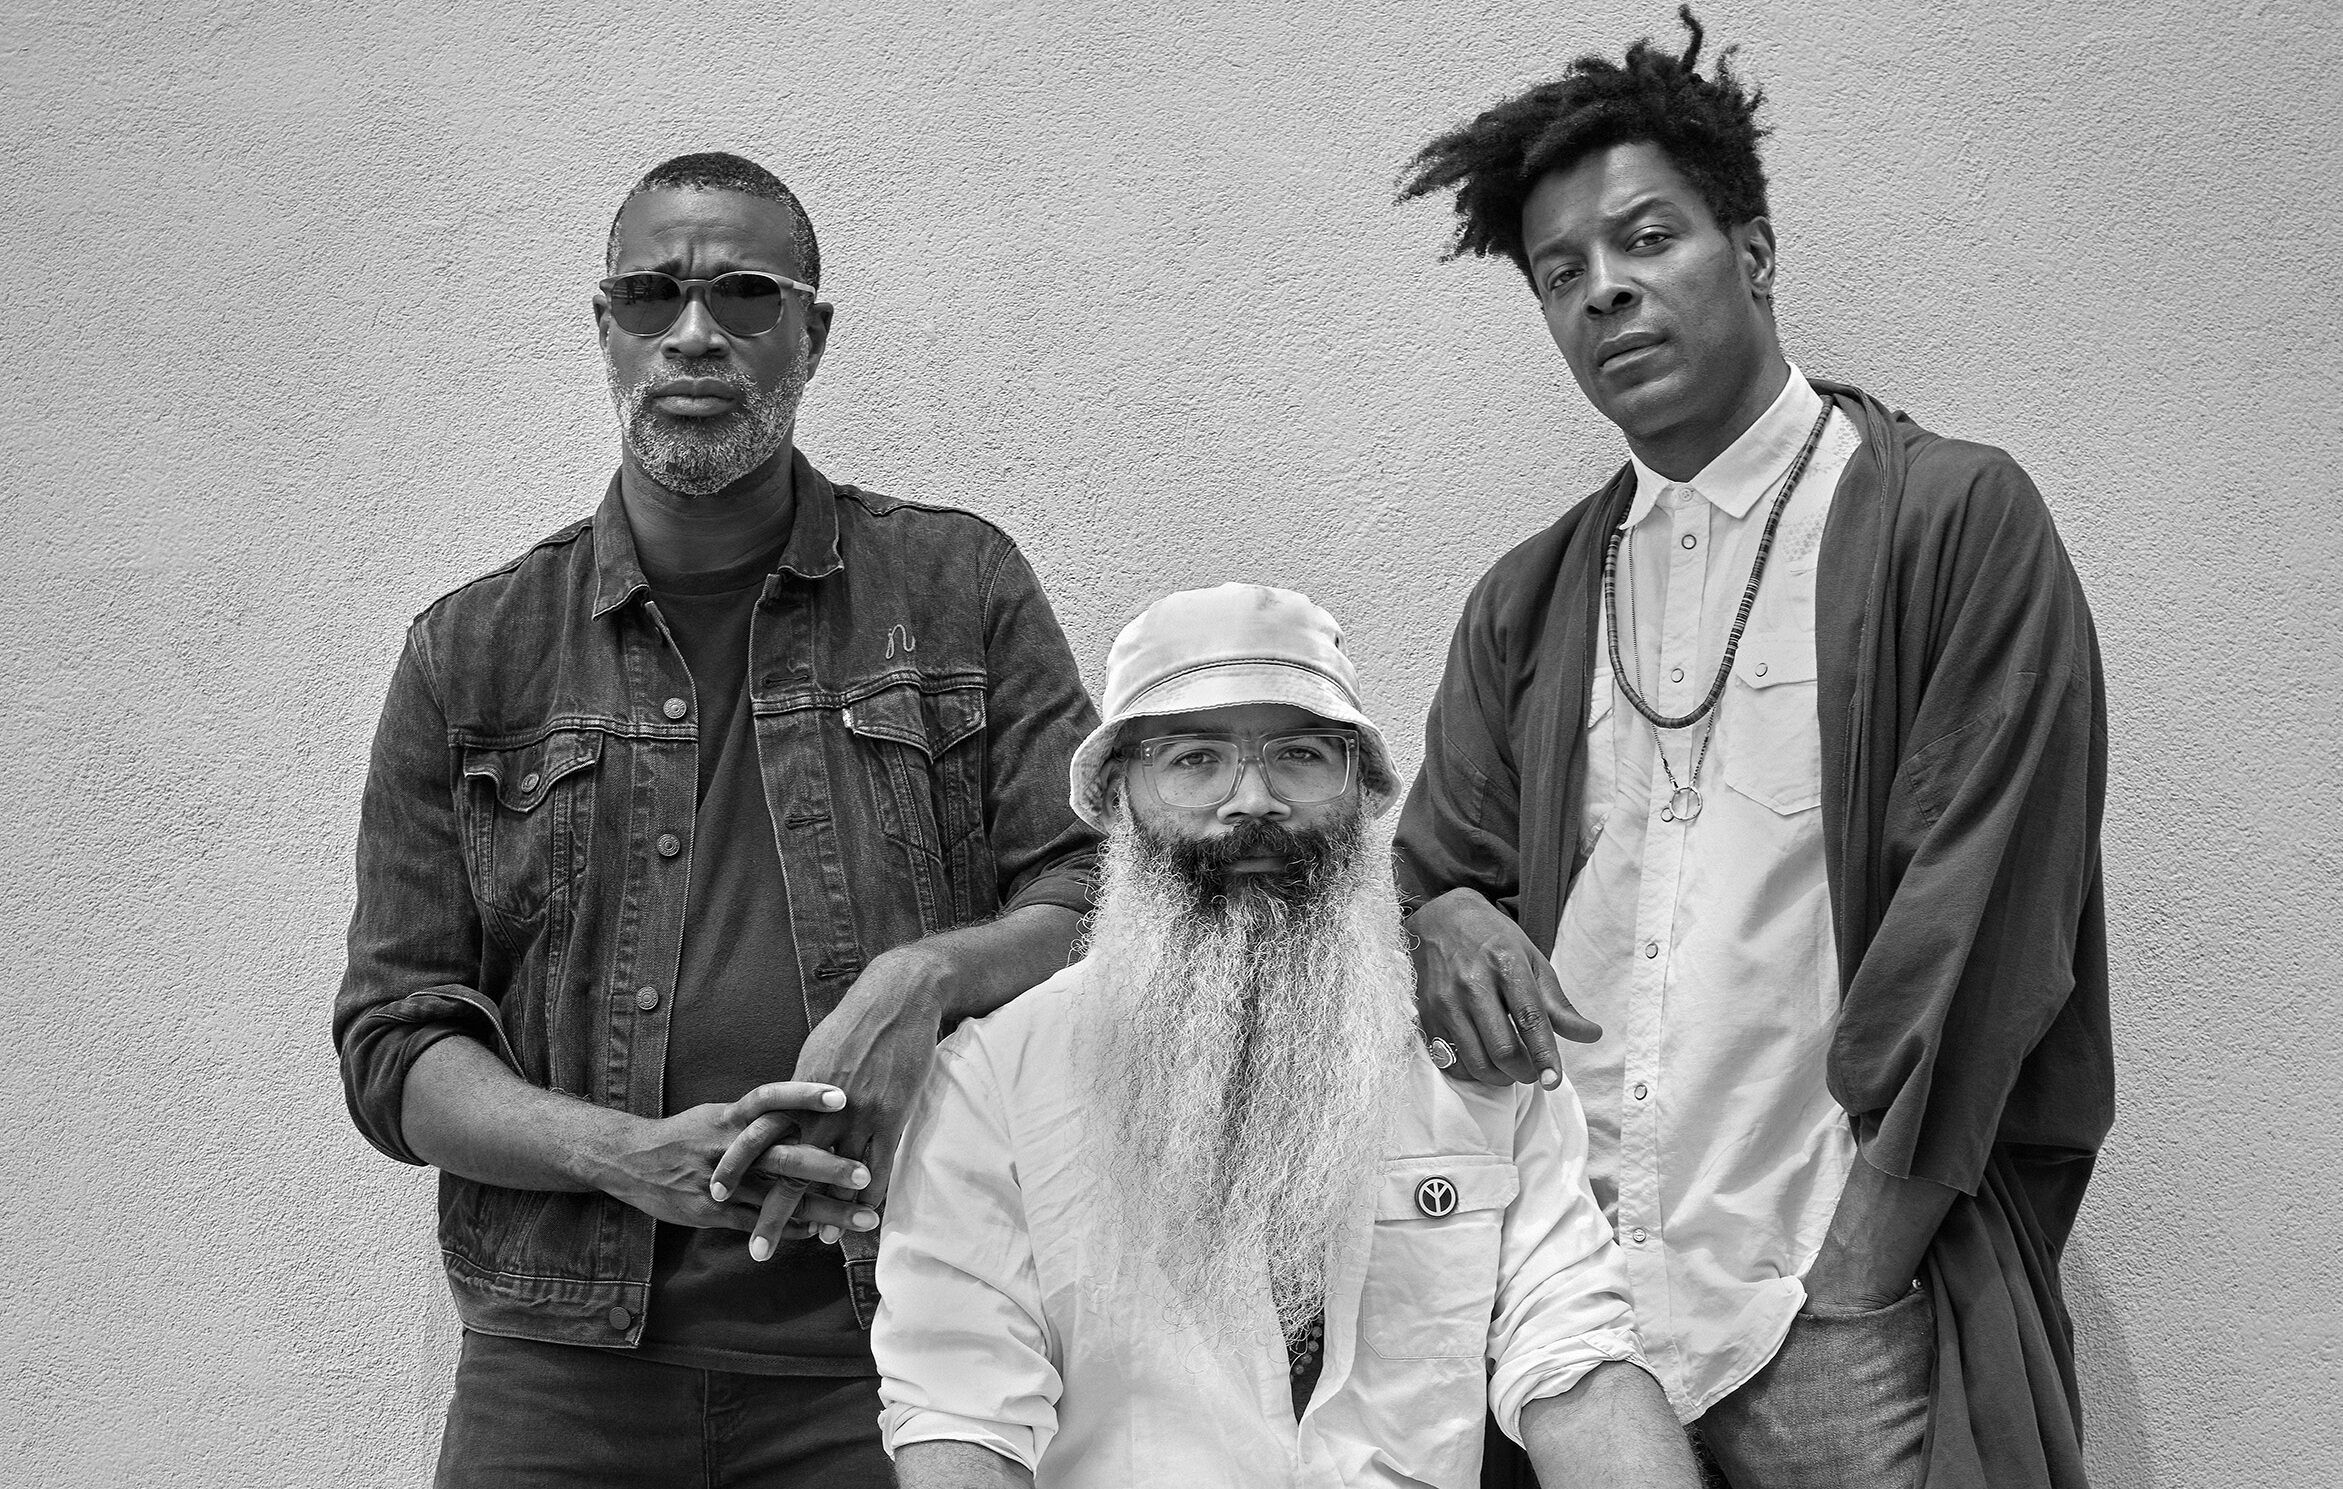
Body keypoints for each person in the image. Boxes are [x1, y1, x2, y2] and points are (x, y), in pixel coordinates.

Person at [1393, 13, 2111, 1489]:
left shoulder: (1946, 525)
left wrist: (1861, 1266)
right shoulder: (1529, 596)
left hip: (1826, 1300)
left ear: (1753, 250)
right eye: (1558, 274)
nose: (1605, 292)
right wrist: (1442, 914)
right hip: (1572, 1311)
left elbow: (1982, 922)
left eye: (1644, 238)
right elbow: (1433, 876)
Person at [333, 151, 1101, 1487]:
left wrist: (922, 977)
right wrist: (619, 1154)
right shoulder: (471, 652)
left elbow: (1099, 888)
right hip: (558, 1379)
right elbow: (394, 1041)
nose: (693, 331)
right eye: (652, 293)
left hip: (908, 1339)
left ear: (811, 333)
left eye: (745, 293)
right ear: (606, 328)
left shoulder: (955, 588)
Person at [870, 584, 1702, 1489]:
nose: (1252, 801)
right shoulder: (992, 1078)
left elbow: (1575, 1352)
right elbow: (963, 1418)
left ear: (1364, 791)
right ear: (1116, 798)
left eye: (1300, 755)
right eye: (1194, 760)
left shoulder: (1468, 1056)